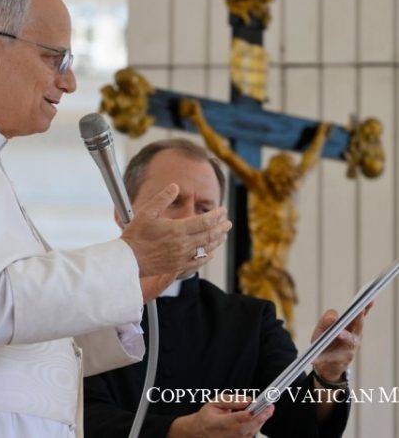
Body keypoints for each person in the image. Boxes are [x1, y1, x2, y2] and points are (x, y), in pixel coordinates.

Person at [0, 0, 232, 438]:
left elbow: (17, 345)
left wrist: (129, 287)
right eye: (56, 58)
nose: (70, 81)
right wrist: (127, 257)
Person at [84, 138, 369, 438]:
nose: (190, 220)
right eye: (173, 201)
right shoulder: (80, 308)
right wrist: (181, 431)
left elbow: (299, 425)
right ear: (122, 212)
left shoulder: (251, 321)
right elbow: (74, 417)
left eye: (204, 208)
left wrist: (328, 374)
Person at [180, 97, 332, 334]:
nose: (287, 186)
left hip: (280, 273)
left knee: (288, 331)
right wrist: (199, 120)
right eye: (283, 180)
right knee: (270, 327)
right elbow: (224, 153)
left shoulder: (290, 187)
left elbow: (308, 162)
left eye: (290, 181)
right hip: (260, 270)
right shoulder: (260, 185)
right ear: (274, 176)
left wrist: (321, 136)